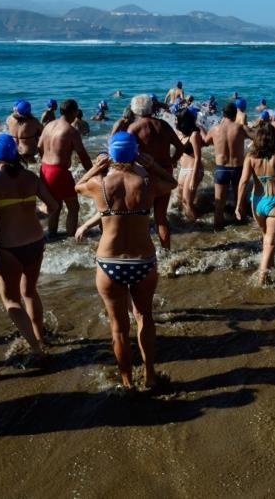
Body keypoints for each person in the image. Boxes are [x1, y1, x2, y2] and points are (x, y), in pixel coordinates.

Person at [75, 132, 177, 390]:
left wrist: (95, 168)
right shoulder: (147, 182)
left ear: (110, 155)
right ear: (135, 153)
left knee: (119, 329)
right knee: (145, 318)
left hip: (110, 263)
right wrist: (152, 165)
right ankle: (150, 375)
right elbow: (172, 183)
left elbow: (77, 186)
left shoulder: (99, 185)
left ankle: (127, 382)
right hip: (143, 261)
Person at [0, 134, 58, 361]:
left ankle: (36, 349)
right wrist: (36, 214)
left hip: (9, 248)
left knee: (11, 300)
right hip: (35, 242)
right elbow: (53, 206)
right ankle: (40, 338)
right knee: (30, 292)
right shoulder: (30, 177)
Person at [236, 124, 275, 284]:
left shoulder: (250, 158)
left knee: (266, 237)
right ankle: (262, 275)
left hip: (257, 202)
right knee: (271, 240)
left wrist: (239, 204)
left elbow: (243, 182)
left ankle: (270, 265)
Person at [126, 94, 184, 250]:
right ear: (152, 107)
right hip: (165, 172)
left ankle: (144, 251)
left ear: (135, 109)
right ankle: (166, 251)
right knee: (161, 218)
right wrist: (173, 160)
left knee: (141, 216)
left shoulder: (134, 128)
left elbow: (128, 155)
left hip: (145, 174)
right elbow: (180, 147)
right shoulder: (164, 125)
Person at [39, 99, 93, 238]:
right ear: (74, 112)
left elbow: (39, 147)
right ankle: (71, 238)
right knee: (73, 208)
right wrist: (93, 173)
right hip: (59, 172)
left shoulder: (48, 125)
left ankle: (52, 235)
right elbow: (83, 156)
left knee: (55, 207)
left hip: (44, 169)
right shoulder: (71, 131)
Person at [210, 102, 249, 229]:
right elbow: (258, 138)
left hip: (221, 169)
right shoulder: (240, 128)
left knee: (219, 204)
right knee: (240, 201)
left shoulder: (215, 129)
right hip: (238, 168)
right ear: (235, 114)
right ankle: (241, 227)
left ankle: (217, 229)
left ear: (223, 114)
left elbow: (204, 141)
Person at [175, 107, 207, 222]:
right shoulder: (181, 134)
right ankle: (182, 222)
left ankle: (198, 226)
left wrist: (194, 178)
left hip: (193, 170)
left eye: (176, 118)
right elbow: (179, 153)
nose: (174, 120)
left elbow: (198, 157)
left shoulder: (194, 135)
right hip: (184, 170)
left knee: (187, 201)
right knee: (180, 199)